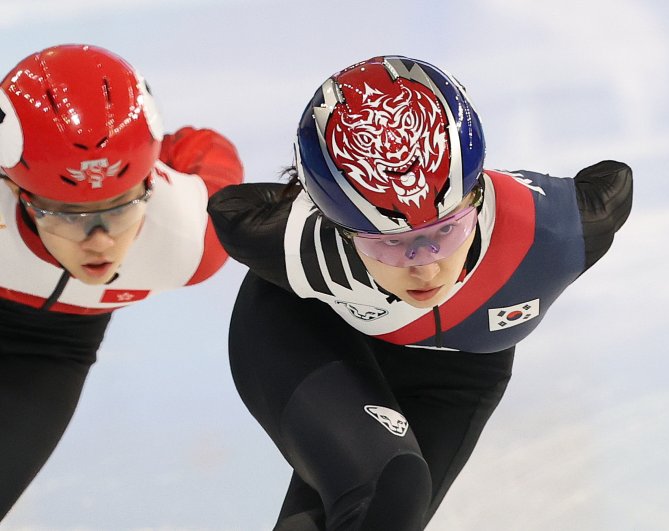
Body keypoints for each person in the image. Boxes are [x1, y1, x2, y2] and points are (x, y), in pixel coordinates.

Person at [208, 55, 632, 530]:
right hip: (312, 325)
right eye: (390, 244)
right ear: (342, 230)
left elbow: (613, 184)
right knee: (392, 483)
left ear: (475, 198)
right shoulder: (305, 246)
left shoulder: (552, 233)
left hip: (456, 373)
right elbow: (231, 209)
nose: (426, 265)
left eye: (447, 231)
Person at [0, 44, 243, 519]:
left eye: (120, 207)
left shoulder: (190, 238)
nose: (100, 242)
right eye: (66, 214)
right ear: (14, 189)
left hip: (51, 353)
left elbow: (206, 145)